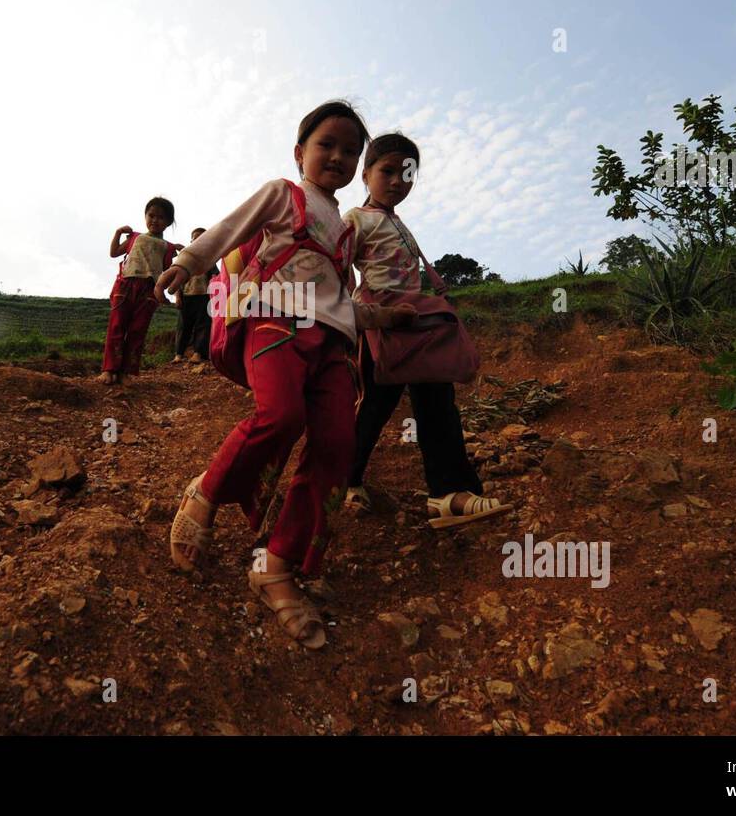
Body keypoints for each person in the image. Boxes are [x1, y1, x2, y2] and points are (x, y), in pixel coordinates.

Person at [154, 101, 414, 649]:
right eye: (327, 144)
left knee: (337, 449)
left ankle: (275, 566)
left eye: (350, 151)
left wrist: (385, 317)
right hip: (276, 320)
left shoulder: (345, 235)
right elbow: (230, 228)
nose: (338, 157)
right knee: (280, 416)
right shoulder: (282, 194)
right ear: (300, 153)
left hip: (335, 346)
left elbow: (340, 301)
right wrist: (190, 263)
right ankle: (205, 495)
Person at [342, 133, 512, 528]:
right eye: (387, 171)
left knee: (438, 405)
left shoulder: (399, 223)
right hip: (381, 328)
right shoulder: (355, 219)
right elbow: (337, 271)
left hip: (417, 328)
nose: (398, 181)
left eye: (407, 173)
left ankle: (448, 494)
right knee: (371, 409)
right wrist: (355, 318)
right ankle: (342, 482)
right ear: (366, 174)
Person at [100, 197, 180, 385]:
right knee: (116, 326)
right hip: (126, 286)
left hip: (149, 290)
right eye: (151, 215)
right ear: (145, 216)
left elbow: (166, 271)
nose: (155, 220)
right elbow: (114, 253)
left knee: (137, 330)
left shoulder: (168, 247)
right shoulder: (135, 237)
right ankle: (109, 369)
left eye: (161, 217)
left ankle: (125, 372)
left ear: (168, 222)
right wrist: (118, 233)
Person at [172, 227, 215, 363]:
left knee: (202, 325)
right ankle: (179, 354)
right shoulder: (184, 258)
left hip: (204, 297)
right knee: (183, 326)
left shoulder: (210, 259)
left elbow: (215, 277)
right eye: (195, 238)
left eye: (201, 238)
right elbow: (178, 280)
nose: (198, 241)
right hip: (187, 296)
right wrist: (178, 297)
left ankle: (198, 353)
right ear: (191, 241)